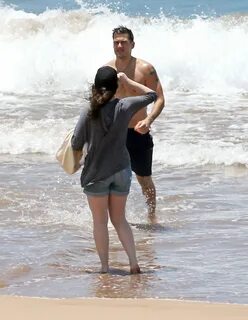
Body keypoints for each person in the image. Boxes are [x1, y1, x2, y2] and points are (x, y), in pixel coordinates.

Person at [71, 66, 157, 274]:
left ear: (94, 87)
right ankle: (134, 264)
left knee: (100, 222)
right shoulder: (125, 105)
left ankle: (104, 267)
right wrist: (128, 81)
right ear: (116, 86)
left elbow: (75, 142)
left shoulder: (88, 111)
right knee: (120, 219)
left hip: (96, 174)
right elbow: (152, 95)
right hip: (121, 171)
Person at [105, 26, 165, 217]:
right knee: (109, 177)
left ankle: (151, 215)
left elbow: (160, 98)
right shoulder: (107, 70)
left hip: (139, 133)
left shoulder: (145, 69)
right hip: (115, 133)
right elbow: (100, 103)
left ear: (132, 44)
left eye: (123, 42)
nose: (120, 46)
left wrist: (149, 119)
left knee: (144, 179)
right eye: (116, 42)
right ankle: (112, 217)